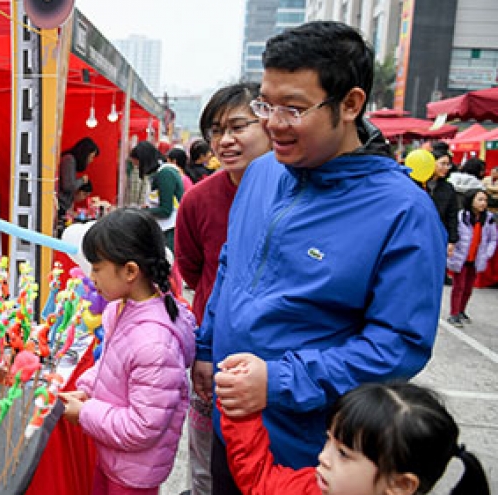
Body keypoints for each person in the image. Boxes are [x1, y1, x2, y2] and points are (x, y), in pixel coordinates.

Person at [191, 21, 447, 495]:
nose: (273, 123)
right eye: (266, 104)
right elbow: (231, 264)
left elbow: (398, 346)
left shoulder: (403, 212)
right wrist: (207, 348)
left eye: (294, 108)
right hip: (234, 428)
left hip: (307, 456)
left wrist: (279, 380)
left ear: (350, 104)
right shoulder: (263, 174)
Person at [174, 82, 271, 495]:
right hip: (215, 356)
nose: (225, 140)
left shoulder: (300, 192)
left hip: (277, 361)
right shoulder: (199, 199)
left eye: (238, 126)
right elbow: (194, 273)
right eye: (216, 130)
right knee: (209, 464)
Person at [58, 207, 196, 495]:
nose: (91, 276)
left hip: (133, 472)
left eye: (97, 268)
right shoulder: (122, 308)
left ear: (130, 271)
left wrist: (85, 413)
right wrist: (86, 389)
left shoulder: (154, 344)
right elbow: (113, 364)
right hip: (113, 452)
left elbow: (143, 427)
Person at [215, 361, 490, 495]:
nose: (323, 457)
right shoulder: (310, 486)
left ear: (401, 484)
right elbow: (259, 480)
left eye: (344, 453)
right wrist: (241, 413)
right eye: (329, 441)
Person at [446, 189, 497, 327]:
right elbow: (453, 233)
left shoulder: (488, 219)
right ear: (471, 200)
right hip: (461, 257)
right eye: (479, 199)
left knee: (468, 287)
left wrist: (487, 253)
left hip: (476, 257)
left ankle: (462, 310)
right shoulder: (461, 216)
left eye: (485, 200)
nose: (483, 203)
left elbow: (493, 239)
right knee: (459, 286)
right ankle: (454, 313)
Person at [131, 141, 184, 252]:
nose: (137, 168)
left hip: (170, 230)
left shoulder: (166, 174)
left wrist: (143, 212)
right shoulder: (160, 174)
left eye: (137, 165)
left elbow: (166, 210)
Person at [426, 148, 459, 259]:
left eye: (448, 164)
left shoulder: (448, 188)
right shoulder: (418, 184)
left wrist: (452, 240)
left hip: (439, 236)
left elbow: (452, 215)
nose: (446, 168)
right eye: (442, 164)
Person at [56, 137, 99, 221]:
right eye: (91, 157)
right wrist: (82, 180)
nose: (91, 160)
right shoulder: (69, 160)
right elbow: (68, 186)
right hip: (60, 205)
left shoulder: (71, 161)